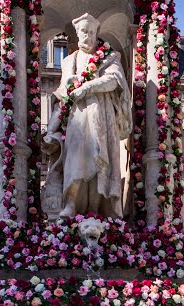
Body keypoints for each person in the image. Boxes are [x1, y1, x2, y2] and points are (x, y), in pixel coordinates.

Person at [45, 13, 132, 219]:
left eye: (92, 32)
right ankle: (71, 204)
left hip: (102, 115)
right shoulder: (69, 61)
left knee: (100, 160)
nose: (89, 36)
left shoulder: (110, 57)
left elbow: (115, 80)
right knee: (75, 161)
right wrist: (51, 128)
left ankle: (97, 209)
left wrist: (87, 87)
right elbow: (61, 95)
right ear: (78, 34)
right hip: (77, 116)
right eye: (85, 31)